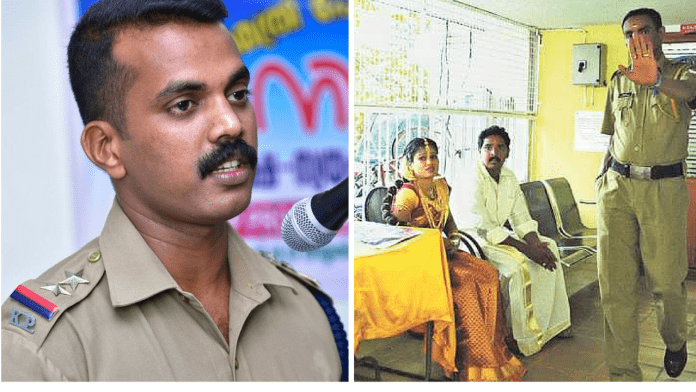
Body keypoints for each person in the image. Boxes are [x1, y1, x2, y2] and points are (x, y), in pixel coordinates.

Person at [1, 0, 345, 381]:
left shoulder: (310, 312)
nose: (231, 124)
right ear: (106, 148)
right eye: (184, 105)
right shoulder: (47, 349)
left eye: (238, 94)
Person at [596, 8, 696, 381]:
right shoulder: (618, 81)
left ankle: (674, 339)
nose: (636, 37)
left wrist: (655, 81)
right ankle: (623, 375)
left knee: (667, 282)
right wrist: (603, 173)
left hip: (663, 191)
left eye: (644, 30)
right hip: (617, 189)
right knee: (615, 286)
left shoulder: (683, 74)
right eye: (629, 32)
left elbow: (691, 94)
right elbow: (612, 134)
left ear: (661, 34)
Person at [389, 137, 527, 382]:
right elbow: (397, 227)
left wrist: (452, 236)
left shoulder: (441, 186)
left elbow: (449, 219)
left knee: (487, 273)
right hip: (420, 261)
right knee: (466, 286)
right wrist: (425, 236)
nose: (430, 162)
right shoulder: (409, 193)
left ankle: (493, 348)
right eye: (422, 158)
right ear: (410, 164)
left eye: (433, 157)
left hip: (445, 254)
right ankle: (471, 360)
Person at [450, 126, 572, 357]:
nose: (493, 153)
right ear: (479, 151)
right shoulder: (470, 177)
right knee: (517, 268)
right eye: (488, 147)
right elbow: (482, 225)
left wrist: (535, 245)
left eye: (500, 147)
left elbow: (521, 217)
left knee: (550, 248)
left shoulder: (508, 177)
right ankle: (521, 337)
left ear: (507, 153)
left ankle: (553, 325)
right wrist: (527, 250)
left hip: (499, 235)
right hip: (473, 240)